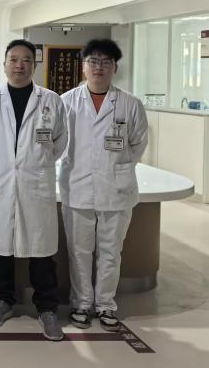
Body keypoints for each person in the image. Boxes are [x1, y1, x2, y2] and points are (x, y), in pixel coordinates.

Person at [0, 39, 67, 341]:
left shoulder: (51, 101)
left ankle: (47, 308)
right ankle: (2, 301)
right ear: (4, 64)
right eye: (13, 59)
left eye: (26, 60)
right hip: (0, 183)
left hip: (35, 184)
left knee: (41, 251)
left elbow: (60, 142)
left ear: (34, 65)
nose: (19, 65)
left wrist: (34, 164)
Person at [59, 39, 148, 331]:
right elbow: (58, 141)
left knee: (111, 251)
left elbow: (138, 143)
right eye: (93, 61)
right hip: (77, 186)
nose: (99, 67)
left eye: (106, 62)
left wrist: (117, 167)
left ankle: (106, 304)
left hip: (116, 188)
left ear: (115, 68)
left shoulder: (130, 104)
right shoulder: (66, 102)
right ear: (83, 67)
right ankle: (81, 303)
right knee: (79, 250)